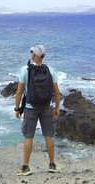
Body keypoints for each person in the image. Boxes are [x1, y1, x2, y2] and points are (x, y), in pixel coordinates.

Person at [14, 44, 61, 176]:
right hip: (47, 107)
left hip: (30, 108)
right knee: (48, 135)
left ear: (34, 55)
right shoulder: (50, 70)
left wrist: (17, 108)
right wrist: (57, 108)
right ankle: (52, 165)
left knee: (29, 137)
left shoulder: (25, 69)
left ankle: (25, 167)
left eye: (32, 52)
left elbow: (19, 91)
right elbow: (57, 93)